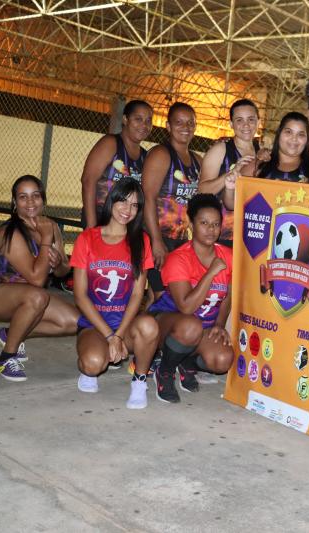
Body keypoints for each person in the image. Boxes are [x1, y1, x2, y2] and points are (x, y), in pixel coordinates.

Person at [0, 175, 79, 381]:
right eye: (23, 197)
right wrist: (47, 240)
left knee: (74, 322)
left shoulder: (51, 226)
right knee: (37, 296)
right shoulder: (9, 233)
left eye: (35, 196)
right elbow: (37, 280)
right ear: (14, 202)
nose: (30, 203)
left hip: (27, 292)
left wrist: (58, 264)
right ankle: (6, 358)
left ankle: (11, 333)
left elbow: (63, 271)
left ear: (43, 199)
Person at [72, 178, 159, 409]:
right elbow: (80, 295)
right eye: (123, 201)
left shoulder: (141, 241)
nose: (127, 210)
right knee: (92, 365)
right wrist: (109, 336)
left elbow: (137, 294)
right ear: (112, 201)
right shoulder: (87, 238)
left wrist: (119, 335)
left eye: (134, 205)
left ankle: (140, 381)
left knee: (149, 325)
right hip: (94, 323)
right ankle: (94, 359)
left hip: (126, 325)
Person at [148, 194, 234, 400]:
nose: (211, 229)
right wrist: (211, 273)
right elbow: (186, 307)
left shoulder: (228, 256)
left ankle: (185, 361)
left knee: (222, 360)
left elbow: (228, 295)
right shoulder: (179, 258)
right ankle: (165, 371)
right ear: (191, 223)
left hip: (201, 327)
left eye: (215, 224)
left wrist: (220, 325)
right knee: (190, 325)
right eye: (204, 223)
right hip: (168, 323)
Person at [141, 102, 200, 297]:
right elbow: (147, 198)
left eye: (190, 122)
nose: (186, 127)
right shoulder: (161, 154)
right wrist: (156, 241)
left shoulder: (197, 160)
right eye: (179, 122)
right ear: (168, 126)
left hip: (181, 239)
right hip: (157, 236)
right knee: (165, 297)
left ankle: (145, 327)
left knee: (158, 297)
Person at [198, 98, 269, 245]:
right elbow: (201, 190)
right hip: (222, 232)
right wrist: (231, 173)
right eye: (239, 120)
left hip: (252, 231)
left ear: (258, 122)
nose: (246, 125)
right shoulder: (220, 150)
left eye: (251, 119)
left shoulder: (263, 153)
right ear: (231, 124)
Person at [81, 99, 153, 228]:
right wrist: (91, 224)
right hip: (101, 218)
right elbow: (88, 180)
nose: (144, 125)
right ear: (125, 119)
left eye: (148, 121)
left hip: (126, 222)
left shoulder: (145, 156)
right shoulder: (110, 143)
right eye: (138, 119)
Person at [251, 112, 309, 184]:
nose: (294, 138)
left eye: (301, 134)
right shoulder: (257, 166)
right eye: (288, 132)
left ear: (307, 138)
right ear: (279, 133)